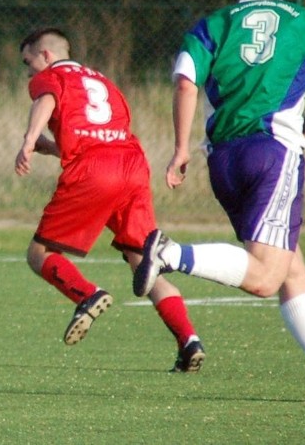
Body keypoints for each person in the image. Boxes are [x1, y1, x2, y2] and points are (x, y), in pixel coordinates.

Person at [133, 0, 305, 402]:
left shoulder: (214, 24)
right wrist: (300, 129)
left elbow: (185, 83)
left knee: (290, 270)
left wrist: (180, 149)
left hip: (222, 159)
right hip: (273, 152)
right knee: (265, 278)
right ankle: (171, 255)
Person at [15, 27, 205, 372]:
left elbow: (47, 101)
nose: (28, 71)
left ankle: (86, 295)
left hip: (93, 172)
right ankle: (188, 340)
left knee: (38, 254)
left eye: (28, 61)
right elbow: (103, 136)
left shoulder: (51, 76)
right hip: (132, 166)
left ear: (46, 55)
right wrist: (54, 148)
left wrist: (30, 139)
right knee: (143, 262)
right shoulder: (103, 82)